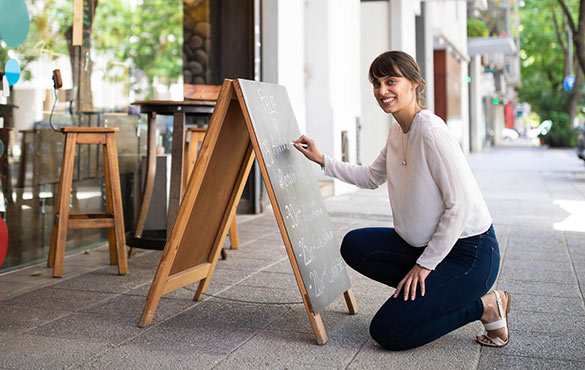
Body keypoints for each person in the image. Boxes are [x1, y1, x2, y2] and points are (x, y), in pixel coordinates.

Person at [293, 50, 511, 351]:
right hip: (423, 246)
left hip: (469, 254)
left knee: (389, 332)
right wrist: (322, 160)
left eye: (391, 81)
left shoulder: (432, 132)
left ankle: (485, 305)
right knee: (354, 245)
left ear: (415, 84)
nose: (382, 90)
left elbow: (458, 206)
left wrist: (425, 266)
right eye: (376, 82)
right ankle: (429, 298)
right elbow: (371, 177)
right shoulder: (397, 130)